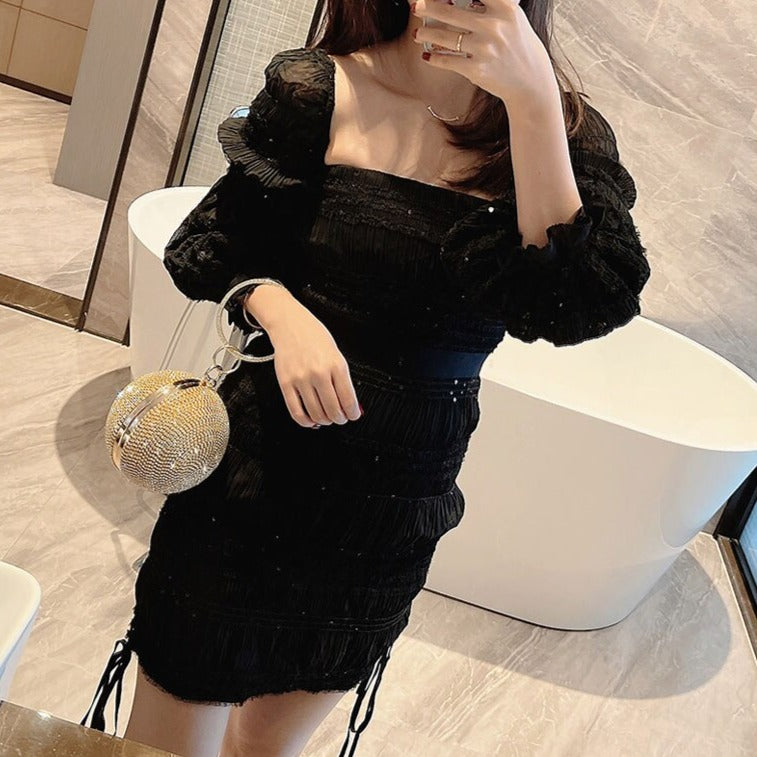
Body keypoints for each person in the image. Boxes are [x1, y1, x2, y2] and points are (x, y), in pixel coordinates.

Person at [81, 1, 651, 755]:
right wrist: (280, 310)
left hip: (389, 519)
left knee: (266, 749)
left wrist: (533, 101)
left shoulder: (559, 129)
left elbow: (576, 304)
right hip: (255, 481)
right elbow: (214, 242)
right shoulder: (320, 89)